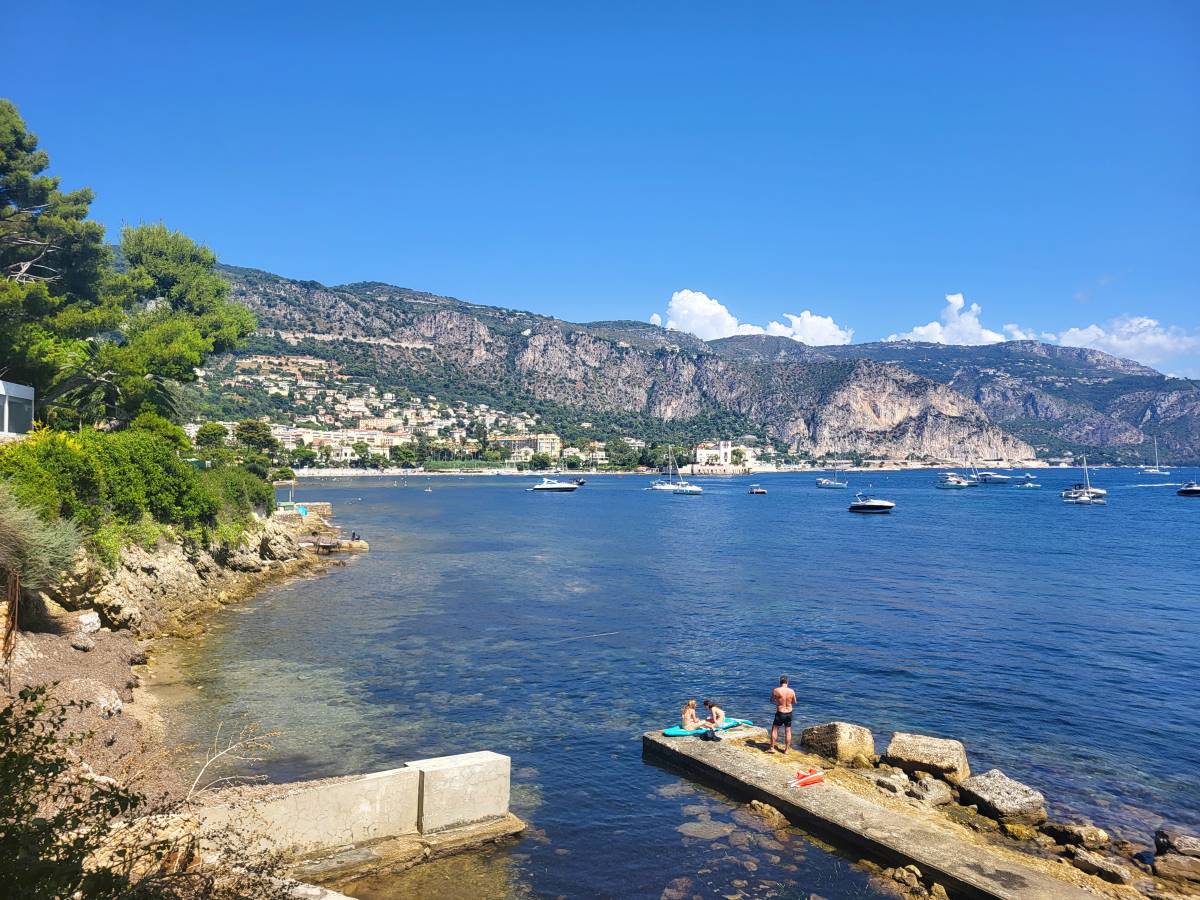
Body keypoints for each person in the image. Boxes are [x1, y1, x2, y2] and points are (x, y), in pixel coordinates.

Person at [768, 675, 796, 753]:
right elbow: (794, 702)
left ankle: (772, 748)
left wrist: (779, 702)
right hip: (789, 713)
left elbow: (771, 700)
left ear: (780, 682)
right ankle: (786, 750)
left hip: (780, 713)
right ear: (787, 682)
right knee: (788, 731)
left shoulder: (776, 690)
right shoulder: (791, 691)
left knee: (775, 729)